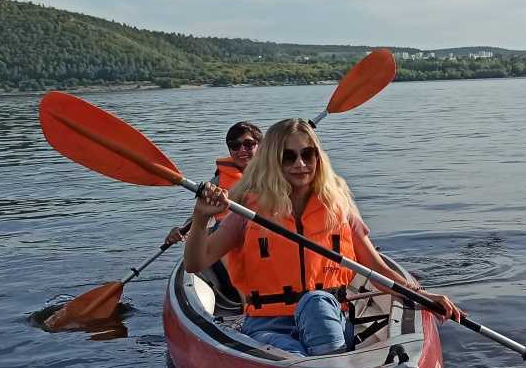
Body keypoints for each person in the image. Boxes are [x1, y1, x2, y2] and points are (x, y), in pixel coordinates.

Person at [182, 117, 460, 355]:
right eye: (288, 156)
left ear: (318, 156)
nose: (300, 164)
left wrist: (423, 296)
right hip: (267, 326)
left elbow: (376, 269)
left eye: (308, 154)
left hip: (328, 319)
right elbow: (197, 263)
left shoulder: (338, 206)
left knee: (315, 301)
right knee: (291, 355)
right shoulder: (248, 209)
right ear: (272, 161)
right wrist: (201, 216)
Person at [163, 121, 261, 248]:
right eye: (235, 145)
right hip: (230, 244)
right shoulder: (215, 184)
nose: (242, 150)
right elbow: (199, 216)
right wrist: (182, 230)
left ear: (260, 146)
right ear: (230, 150)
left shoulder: (279, 177)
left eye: (249, 144)